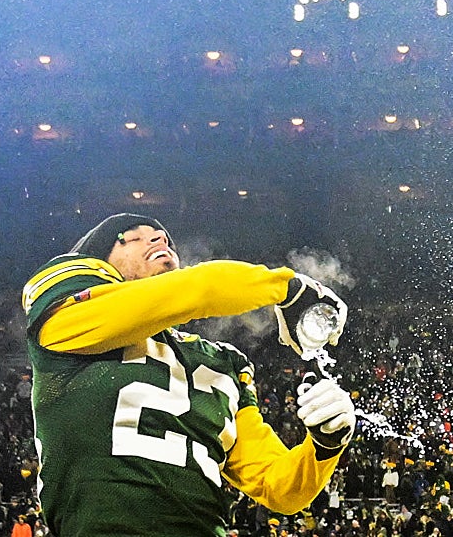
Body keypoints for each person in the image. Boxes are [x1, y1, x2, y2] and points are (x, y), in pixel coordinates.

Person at [21, 213, 357, 537]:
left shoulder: (221, 362)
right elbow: (197, 289)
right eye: (132, 238)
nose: (158, 239)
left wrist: (326, 444)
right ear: (98, 262)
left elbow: (280, 488)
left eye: (163, 238)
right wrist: (284, 287)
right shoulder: (69, 315)